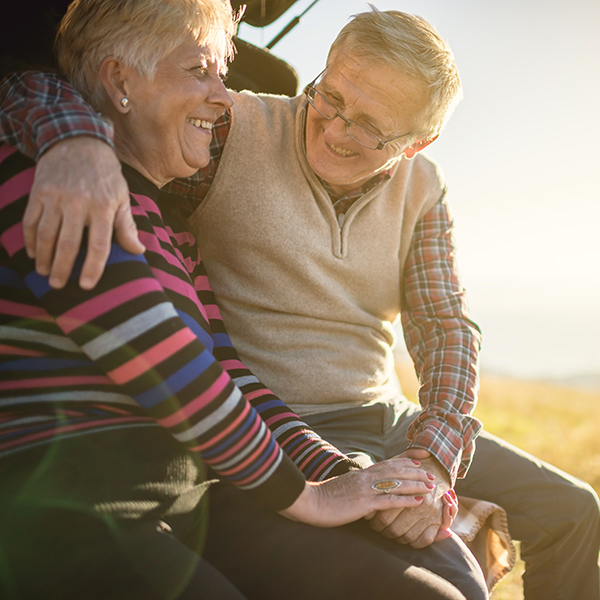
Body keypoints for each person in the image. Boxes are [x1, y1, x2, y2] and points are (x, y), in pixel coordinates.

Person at [2, 4, 598, 599]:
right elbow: (73, 90)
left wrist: (433, 461)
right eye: (330, 98)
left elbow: (445, 326)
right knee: (440, 575)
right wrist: (72, 137)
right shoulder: (225, 132)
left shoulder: (423, 188)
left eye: (370, 127)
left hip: (379, 414)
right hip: (286, 420)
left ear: (419, 141)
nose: (337, 130)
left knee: (572, 512)